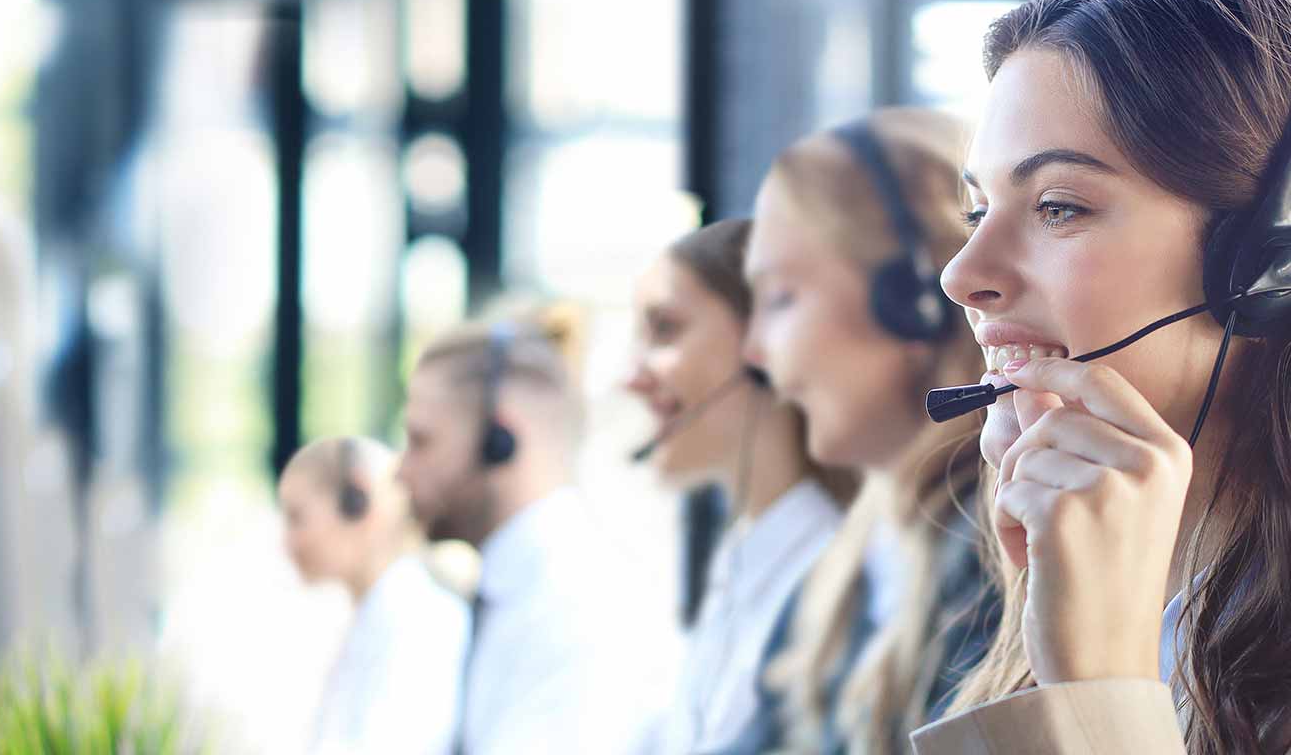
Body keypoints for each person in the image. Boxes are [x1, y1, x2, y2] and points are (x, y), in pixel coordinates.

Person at [911, 0, 1291, 753]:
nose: (961, 275)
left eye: (1057, 206)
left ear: (1261, 265)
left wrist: (1098, 694)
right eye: (976, 210)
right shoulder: (1123, 589)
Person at [726, 106, 995, 753]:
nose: (754, 351)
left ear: (914, 303)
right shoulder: (851, 560)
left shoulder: (1003, 561)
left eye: (782, 297)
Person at [624, 219, 857, 753]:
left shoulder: (838, 581)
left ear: (763, 346)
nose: (632, 377)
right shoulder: (739, 562)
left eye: (664, 329)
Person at [396, 314, 680, 754]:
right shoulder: (520, 590)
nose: (401, 470)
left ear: (500, 440)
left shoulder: (581, 611)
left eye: (421, 440)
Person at [278, 436, 468, 755]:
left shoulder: (421, 622)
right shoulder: (374, 615)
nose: (287, 543)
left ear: (358, 501)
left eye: (297, 518)